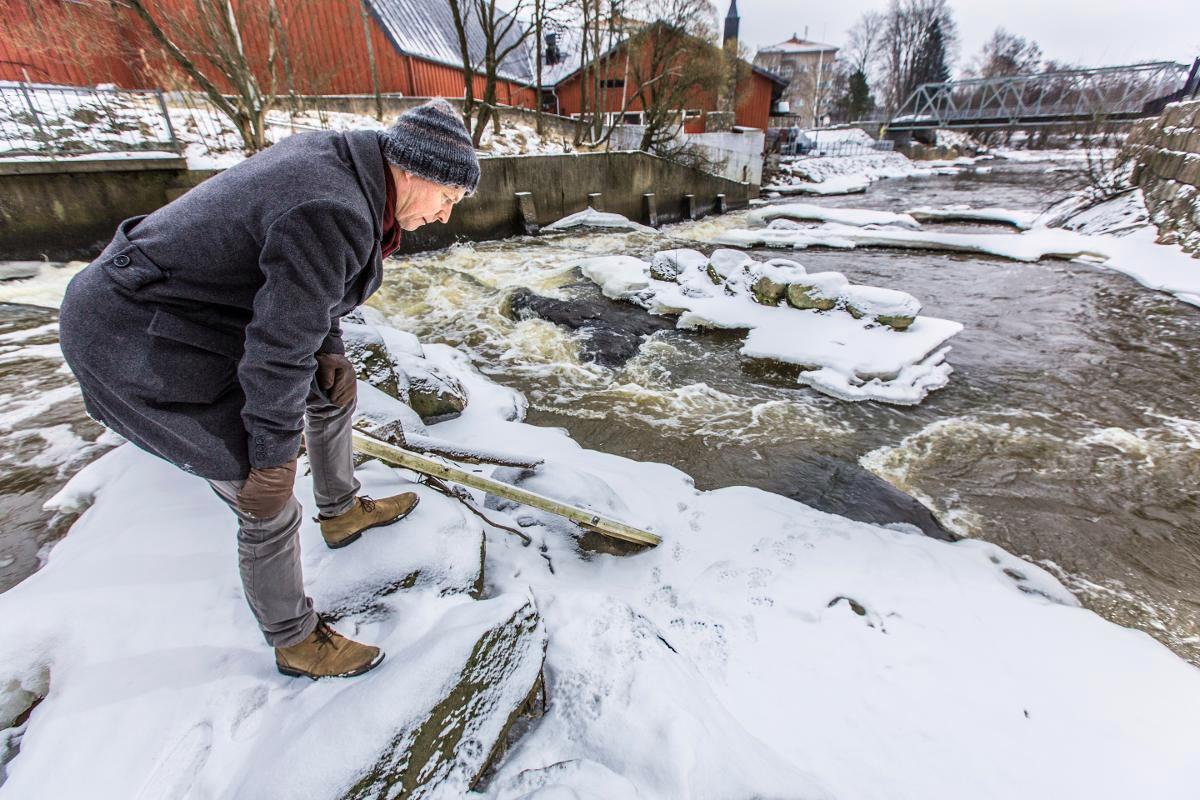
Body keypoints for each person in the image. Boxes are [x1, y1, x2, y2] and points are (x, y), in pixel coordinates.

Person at [58, 99, 478, 680]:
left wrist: (329, 348)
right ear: (414, 170)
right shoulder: (333, 205)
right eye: (448, 198)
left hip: (193, 310)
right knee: (260, 491)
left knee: (332, 392)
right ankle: (295, 639)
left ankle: (340, 511)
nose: (445, 215)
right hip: (134, 335)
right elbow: (278, 350)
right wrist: (274, 459)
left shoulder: (351, 169)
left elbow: (297, 280)